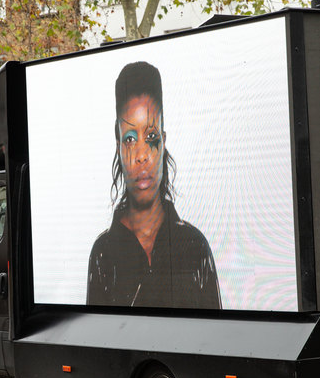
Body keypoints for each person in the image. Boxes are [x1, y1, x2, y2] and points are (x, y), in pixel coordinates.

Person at [87, 61, 221, 309]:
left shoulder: (194, 246)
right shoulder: (103, 253)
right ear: (118, 147)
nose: (141, 155)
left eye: (151, 137)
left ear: (163, 142)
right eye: (129, 139)